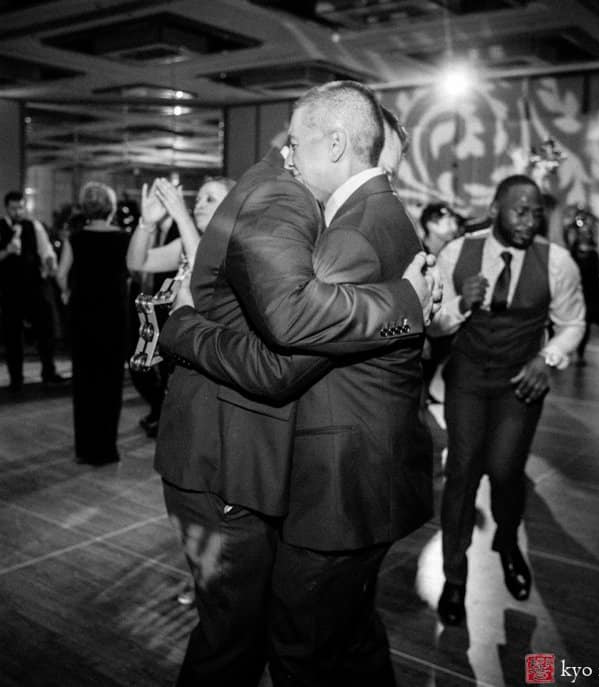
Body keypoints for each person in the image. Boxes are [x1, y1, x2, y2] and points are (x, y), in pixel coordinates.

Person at [154, 82, 440, 686]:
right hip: (227, 455)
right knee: (245, 640)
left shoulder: (344, 220)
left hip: (304, 473)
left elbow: (286, 352)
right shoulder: (287, 198)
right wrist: (405, 302)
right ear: (341, 144)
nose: (386, 176)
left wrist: (181, 329)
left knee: (300, 642)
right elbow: (284, 345)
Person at [428, 174, 585, 626]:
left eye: (537, 212)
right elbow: (433, 321)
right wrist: (459, 302)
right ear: (495, 207)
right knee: (461, 471)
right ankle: (454, 576)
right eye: (521, 210)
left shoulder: (556, 261)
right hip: (468, 379)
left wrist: (548, 358)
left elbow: (573, 322)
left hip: (521, 380)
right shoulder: (457, 252)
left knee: (505, 471)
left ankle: (507, 542)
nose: (530, 220)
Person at [125, 177, 235, 439]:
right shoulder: (187, 244)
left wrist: (180, 215)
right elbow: (137, 261)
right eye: (197, 199)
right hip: (183, 354)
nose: (199, 204)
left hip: (213, 356)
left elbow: (202, 269)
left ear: (232, 206)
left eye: (210, 199)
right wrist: (147, 223)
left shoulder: (233, 245)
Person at [55, 182, 129, 465]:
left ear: (86, 209)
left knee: (84, 381)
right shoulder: (125, 238)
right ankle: (106, 449)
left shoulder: (76, 238)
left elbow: (62, 275)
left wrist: (67, 294)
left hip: (83, 313)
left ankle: (85, 450)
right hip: (113, 314)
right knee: (110, 381)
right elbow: (134, 273)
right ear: (110, 208)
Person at [0, 190, 63, 391]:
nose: (17, 212)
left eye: (20, 207)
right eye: (13, 208)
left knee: (45, 329)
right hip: (10, 289)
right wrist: (7, 251)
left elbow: (45, 250)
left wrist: (50, 262)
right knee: (12, 335)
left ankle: (49, 372)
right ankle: (16, 378)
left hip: (34, 285)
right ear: (6, 208)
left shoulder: (34, 226)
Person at [563, 206, 599, 365]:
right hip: (575, 289)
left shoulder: (596, 252)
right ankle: (566, 349)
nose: (585, 234)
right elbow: (566, 232)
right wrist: (576, 218)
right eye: (582, 232)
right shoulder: (572, 250)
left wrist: (591, 217)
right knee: (570, 320)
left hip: (591, 290)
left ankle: (580, 353)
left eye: (588, 232)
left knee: (586, 323)